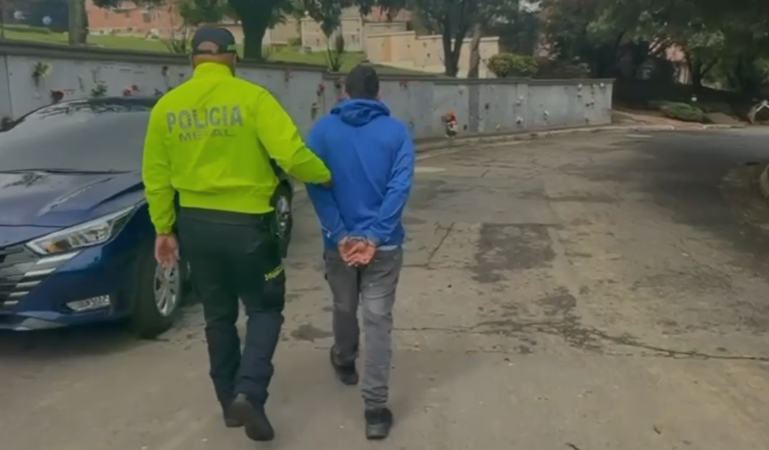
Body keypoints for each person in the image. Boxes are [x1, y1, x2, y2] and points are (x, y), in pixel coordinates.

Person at [141, 27, 331, 442]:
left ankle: (229, 401)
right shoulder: (254, 99)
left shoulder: (166, 108)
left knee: (218, 316)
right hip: (247, 226)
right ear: (231, 58)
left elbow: (155, 177)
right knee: (265, 308)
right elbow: (291, 154)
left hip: (195, 226)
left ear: (192, 59)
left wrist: (163, 229)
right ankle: (250, 390)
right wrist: (327, 176)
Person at [305, 65, 415, 440]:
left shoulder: (322, 131)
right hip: (383, 246)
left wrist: (340, 234)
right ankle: (375, 410)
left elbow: (317, 186)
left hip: (338, 244)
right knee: (378, 319)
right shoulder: (397, 132)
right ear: (378, 93)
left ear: (344, 92)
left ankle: (346, 359)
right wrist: (374, 236)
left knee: (343, 305)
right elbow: (399, 188)